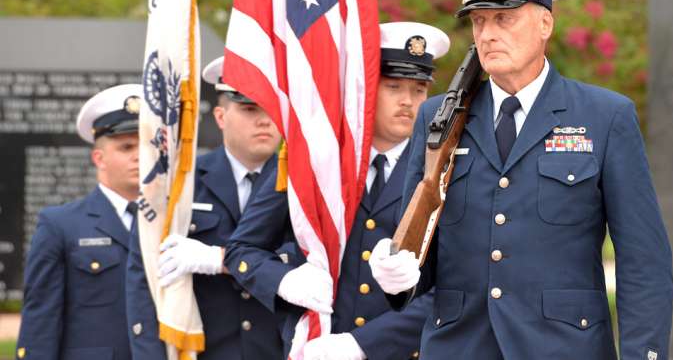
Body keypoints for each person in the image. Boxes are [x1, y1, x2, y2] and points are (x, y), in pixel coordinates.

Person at [369, 0, 673, 360]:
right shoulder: (438, 118)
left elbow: (643, 260)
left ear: (545, 23)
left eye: (504, 18)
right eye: (478, 21)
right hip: (459, 348)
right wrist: (399, 276)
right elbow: (421, 251)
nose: (488, 34)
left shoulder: (604, 117)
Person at [225, 22, 450, 360]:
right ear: (365, 89)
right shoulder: (315, 161)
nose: (408, 101)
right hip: (317, 346)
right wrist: (285, 281)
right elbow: (242, 249)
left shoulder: (444, 170)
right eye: (393, 86)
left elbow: (452, 285)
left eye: (419, 89)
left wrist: (363, 344)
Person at [126, 56, 285, 360]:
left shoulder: (304, 188)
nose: (265, 120)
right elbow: (144, 280)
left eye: (272, 110)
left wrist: (221, 259)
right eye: (250, 109)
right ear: (221, 117)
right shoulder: (181, 185)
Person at [15, 84, 142, 360]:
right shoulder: (61, 225)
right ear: (99, 158)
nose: (139, 155)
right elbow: (41, 319)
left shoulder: (174, 221)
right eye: (126, 147)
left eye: (147, 144)